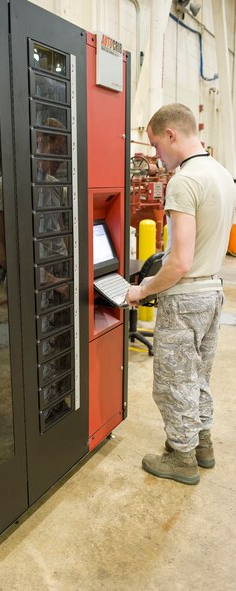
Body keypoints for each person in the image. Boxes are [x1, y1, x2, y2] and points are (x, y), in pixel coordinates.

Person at [126, 103, 236, 485]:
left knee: (173, 382)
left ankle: (182, 458)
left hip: (186, 297)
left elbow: (179, 263)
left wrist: (142, 289)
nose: (156, 155)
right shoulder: (221, 175)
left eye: (156, 145)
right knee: (198, 375)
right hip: (212, 293)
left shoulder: (185, 181)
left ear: (172, 134)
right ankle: (202, 445)